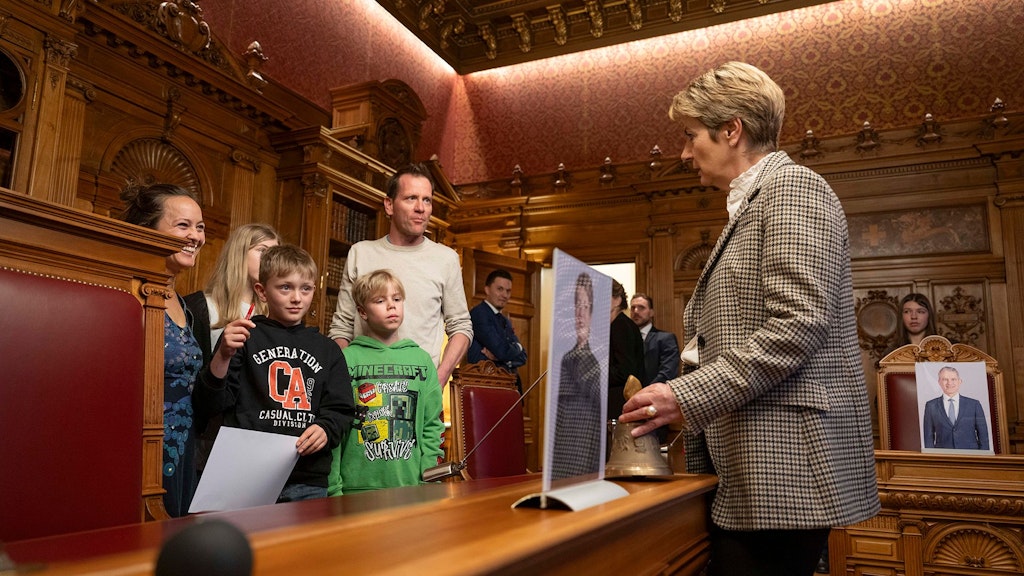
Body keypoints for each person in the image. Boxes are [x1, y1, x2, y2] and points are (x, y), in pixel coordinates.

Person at [619, 62, 879, 576]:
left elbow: (797, 325)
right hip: (752, 458)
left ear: (731, 129)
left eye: (691, 135)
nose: (685, 151)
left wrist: (682, 396)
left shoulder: (793, 189)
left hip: (785, 460)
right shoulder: (754, 203)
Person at [194, 244, 356, 502]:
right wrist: (223, 355)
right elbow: (209, 404)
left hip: (306, 476)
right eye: (285, 287)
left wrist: (326, 428)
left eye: (306, 288)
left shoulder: (328, 350)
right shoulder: (243, 337)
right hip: (246, 473)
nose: (296, 298)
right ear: (262, 291)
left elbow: (342, 409)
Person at [328, 163, 472, 387]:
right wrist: (351, 378)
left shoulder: (446, 259)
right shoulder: (361, 252)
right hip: (366, 390)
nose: (420, 208)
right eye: (411, 198)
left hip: (420, 389)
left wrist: (439, 377)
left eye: (427, 200)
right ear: (389, 205)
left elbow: (461, 327)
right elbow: (342, 327)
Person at [120, 182, 206, 517]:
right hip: (140, 448)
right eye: (183, 225)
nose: (195, 236)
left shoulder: (182, 303)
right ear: (148, 230)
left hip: (182, 448)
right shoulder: (129, 294)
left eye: (199, 227)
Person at [328, 269, 444, 494]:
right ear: (362, 311)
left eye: (397, 299)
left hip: (410, 488)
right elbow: (335, 427)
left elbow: (432, 425)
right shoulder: (347, 359)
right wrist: (334, 489)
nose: (391, 306)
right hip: (354, 491)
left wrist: (429, 481)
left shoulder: (421, 360)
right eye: (380, 301)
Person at [184, 223, 281, 472]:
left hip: (259, 435)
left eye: (276, 253)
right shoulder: (198, 307)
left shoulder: (278, 315)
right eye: (263, 251)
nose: (272, 259)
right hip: (207, 434)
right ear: (239, 252)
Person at [550, 272, 604, 480]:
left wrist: (583, 346)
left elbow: (600, 392)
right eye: (575, 307)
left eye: (585, 306)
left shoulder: (600, 349)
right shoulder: (563, 349)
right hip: (563, 441)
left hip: (585, 438)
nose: (580, 314)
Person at [467, 269, 527, 390]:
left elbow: (523, 357)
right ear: (487, 289)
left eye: (508, 291)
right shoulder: (479, 314)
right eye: (500, 289)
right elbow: (502, 351)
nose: (505, 295)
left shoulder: (505, 320)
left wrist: (502, 358)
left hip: (509, 388)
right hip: (487, 387)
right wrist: (516, 349)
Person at [922, 365, 989, 450]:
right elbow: (928, 437)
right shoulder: (931, 406)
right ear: (939, 382)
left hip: (971, 456)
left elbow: (983, 436)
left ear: (960, 381)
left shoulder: (974, 405)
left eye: (953, 379)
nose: (949, 383)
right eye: (945, 379)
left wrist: (983, 459)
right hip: (943, 457)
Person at [608, 279, 644, 420]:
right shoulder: (616, 324)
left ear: (617, 300)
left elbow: (625, 371)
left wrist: (595, 373)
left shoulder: (621, 325)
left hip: (620, 404)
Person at [630, 293, 680, 386]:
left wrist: (644, 393)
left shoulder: (665, 339)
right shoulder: (625, 340)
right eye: (633, 308)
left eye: (641, 307)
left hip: (654, 395)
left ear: (651, 312)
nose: (636, 311)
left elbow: (667, 373)